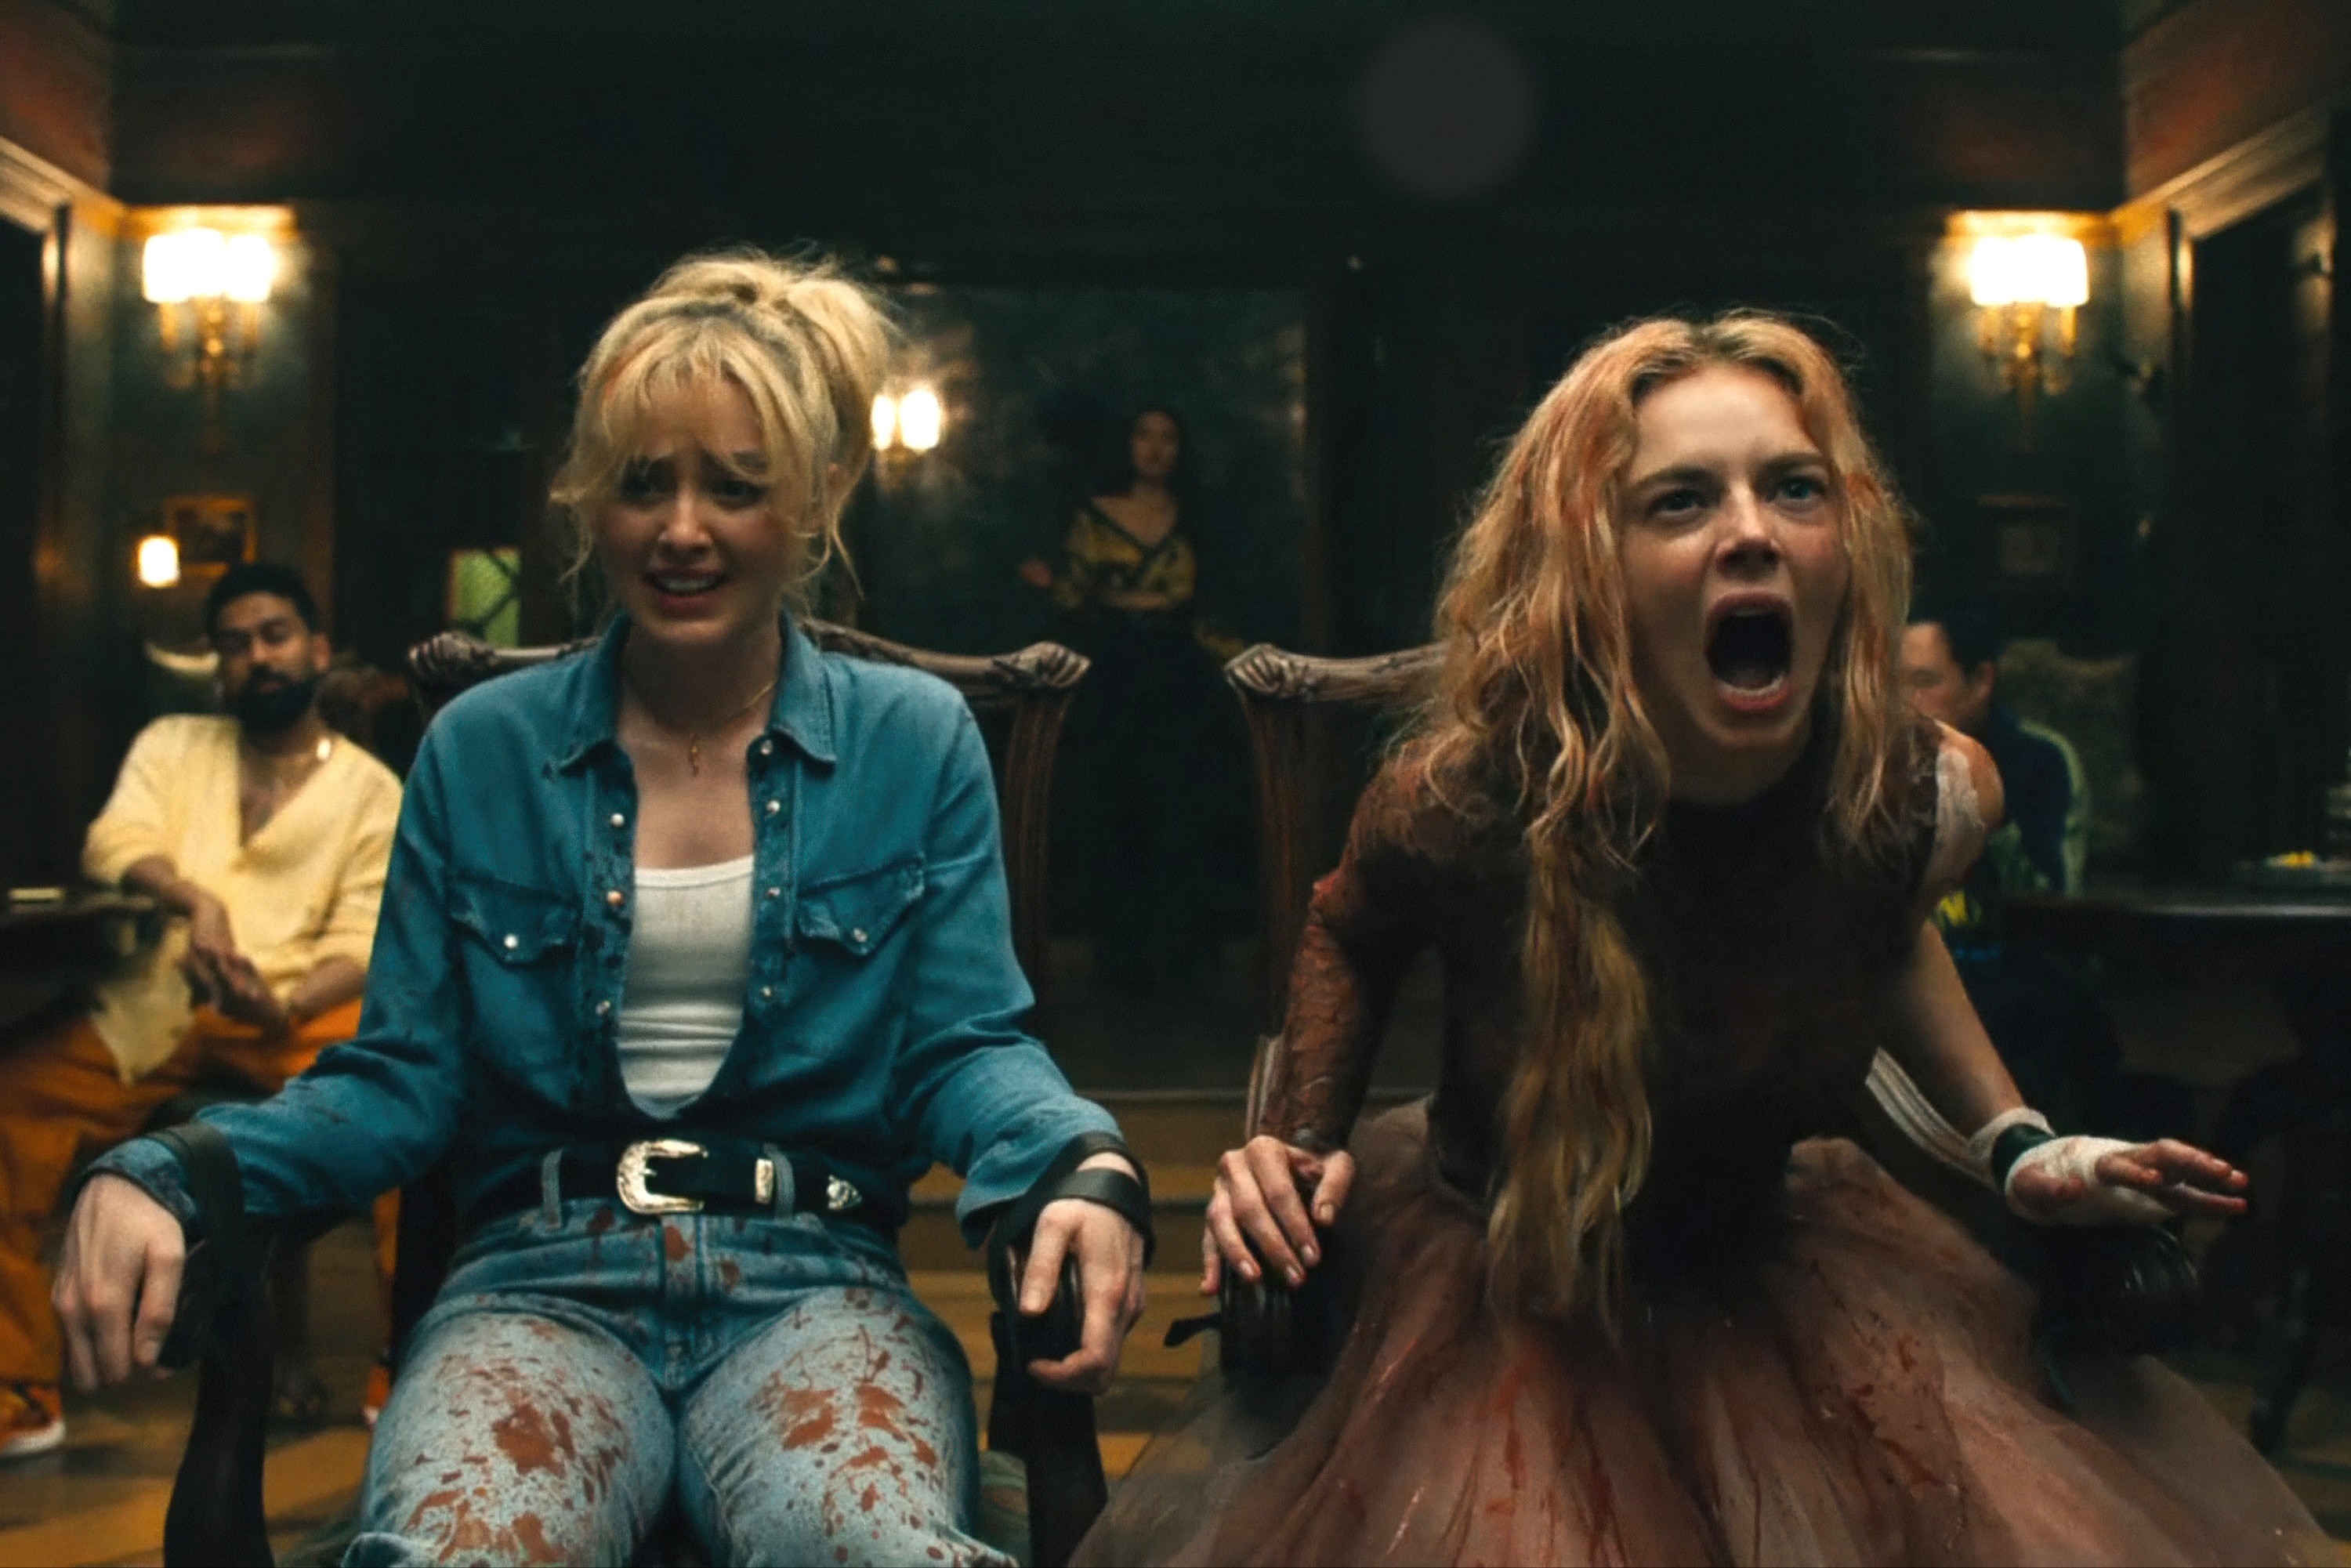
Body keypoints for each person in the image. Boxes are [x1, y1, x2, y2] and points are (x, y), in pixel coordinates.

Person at [1085, 313, 2326, 1565]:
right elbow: (1345, 925)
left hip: (1769, 1267)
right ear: (1589, 565)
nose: (1751, 532)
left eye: (1794, 488)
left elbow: (1884, 932)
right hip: (1515, 1289)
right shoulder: (1469, 799)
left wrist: (2018, 1145)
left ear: (1848, 541)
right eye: (1680, 501)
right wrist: (1295, 1141)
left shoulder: (1919, 789)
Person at [56, 251, 1150, 1566]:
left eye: (733, 486)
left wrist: (1077, 1160)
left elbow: (964, 1046)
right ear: (589, 500)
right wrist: (178, 1171)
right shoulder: (482, 748)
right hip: (536, 1292)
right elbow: (399, 1078)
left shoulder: (912, 741)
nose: (682, 529)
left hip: (818, 1292)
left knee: (870, 1544)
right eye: (643, 484)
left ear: (814, 500)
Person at [0, 562, 403, 1457]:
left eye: (275, 636)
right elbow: (115, 841)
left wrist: (281, 1003)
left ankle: (404, 1363)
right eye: (234, 643)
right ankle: (17, 1385)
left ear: (318, 650)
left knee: (415, 1109)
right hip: (163, 1003)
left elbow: (365, 933)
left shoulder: (371, 789)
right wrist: (197, 900)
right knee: (9, 1103)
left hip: (301, 1012)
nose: (257, 657)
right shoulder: (174, 743)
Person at [1019, 407, 1244, 995]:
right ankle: (1119, 955)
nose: (1155, 448)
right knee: (1115, 804)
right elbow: (1074, 595)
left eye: (1168, 437)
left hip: (1179, 675)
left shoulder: (1192, 519)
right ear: (1127, 443)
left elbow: (1205, 603)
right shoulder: (1095, 516)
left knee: (1182, 806)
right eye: (1145, 435)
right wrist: (1054, 587)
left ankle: (1182, 955)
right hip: (1115, 673)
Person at [1900, 593, 2089, 900]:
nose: (1906, 702)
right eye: (1895, 684)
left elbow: (2053, 900)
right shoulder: (1885, 758)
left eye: (1924, 682)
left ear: (1981, 681)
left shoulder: (2041, 761)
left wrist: (1985, 815)